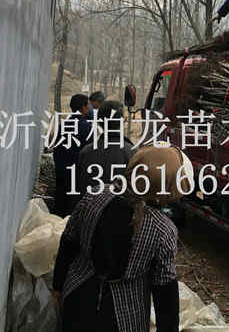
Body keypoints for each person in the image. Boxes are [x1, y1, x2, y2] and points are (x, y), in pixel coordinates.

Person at [52, 145, 191, 332]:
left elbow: (68, 241)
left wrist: (57, 286)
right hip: (123, 318)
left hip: (76, 300)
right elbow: (164, 291)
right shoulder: (162, 229)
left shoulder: (95, 195)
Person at [76, 100, 134, 197]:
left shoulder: (85, 152)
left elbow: (79, 189)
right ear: (123, 121)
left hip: (90, 206)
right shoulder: (134, 153)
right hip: (123, 206)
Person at [53, 94, 94, 216]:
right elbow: (89, 153)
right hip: (77, 173)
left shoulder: (63, 125)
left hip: (61, 170)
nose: (90, 108)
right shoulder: (87, 127)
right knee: (72, 207)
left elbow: (57, 149)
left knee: (60, 203)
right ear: (83, 107)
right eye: (88, 105)